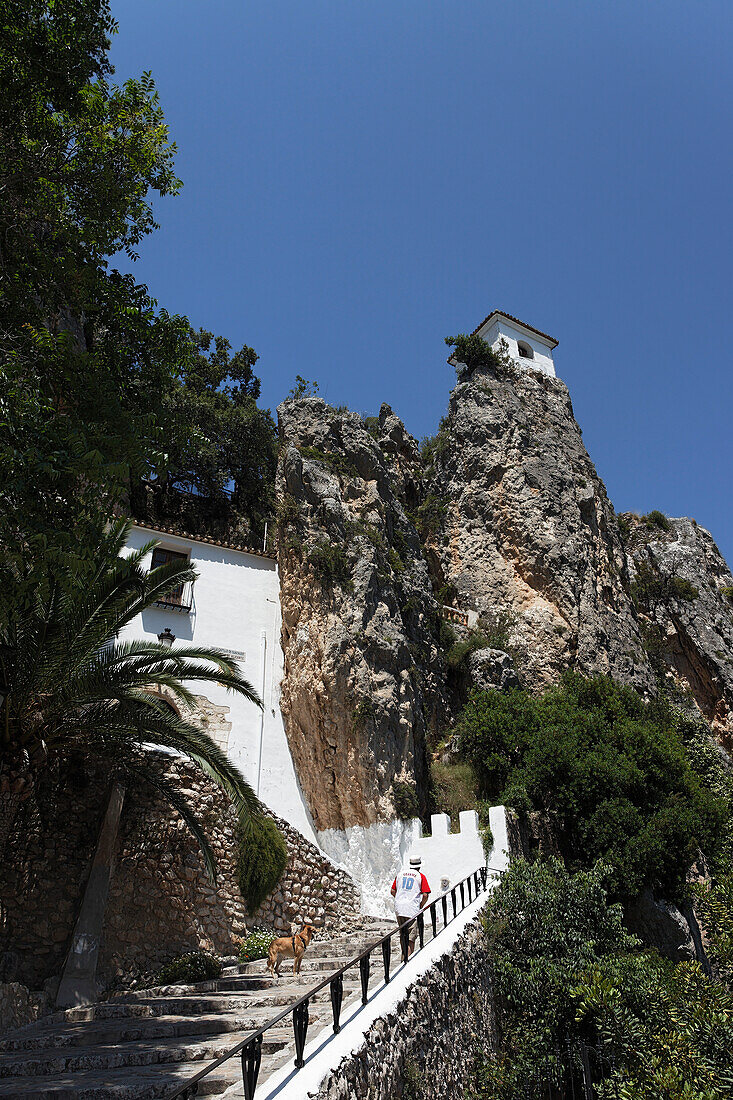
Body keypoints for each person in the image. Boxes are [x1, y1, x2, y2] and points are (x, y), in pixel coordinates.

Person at [391, 854, 430, 957]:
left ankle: (403, 957)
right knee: (411, 938)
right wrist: (420, 905)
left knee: (403, 934)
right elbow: (425, 895)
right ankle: (407, 961)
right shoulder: (420, 876)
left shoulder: (400, 874)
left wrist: (400, 899)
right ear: (419, 866)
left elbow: (393, 891)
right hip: (412, 909)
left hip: (399, 908)